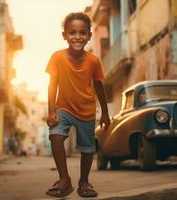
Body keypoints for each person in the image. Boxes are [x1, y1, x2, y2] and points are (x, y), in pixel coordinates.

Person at [45, 12, 110, 198]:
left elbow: (99, 87)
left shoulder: (93, 60)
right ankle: (64, 180)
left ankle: (84, 182)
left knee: (87, 149)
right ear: (64, 35)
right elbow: (52, 85)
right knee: (55, 136)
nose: (77, 37)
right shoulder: (57, 57)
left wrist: (105, 113)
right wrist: (51, 111)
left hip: (86, 109)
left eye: (82, 33)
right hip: (63, 107)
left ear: (89, 36)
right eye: (72, 33)